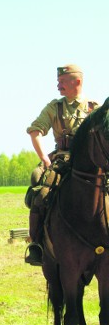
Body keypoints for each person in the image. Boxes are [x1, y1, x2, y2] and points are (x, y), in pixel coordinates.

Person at [24, 64, 98, 265]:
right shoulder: (54, 107)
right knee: (40, 190)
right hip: (62, 160)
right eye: (58, 82)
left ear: (78, 82)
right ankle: (36, 244)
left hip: (90, 161)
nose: (58, 86)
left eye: (63, 82)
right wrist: (45, 159)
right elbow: (35, 131)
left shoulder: (94, 108)